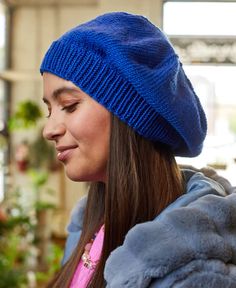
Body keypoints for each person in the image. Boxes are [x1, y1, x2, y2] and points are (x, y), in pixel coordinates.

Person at [40, 12, 236, 288]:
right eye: (49, 110)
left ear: (130, 117)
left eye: (70, 105)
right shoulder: (90, 225)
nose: (49, 130)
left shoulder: (193, 275)